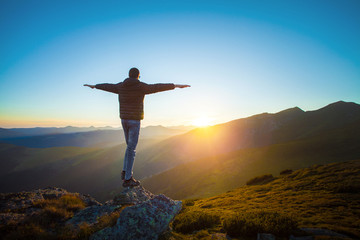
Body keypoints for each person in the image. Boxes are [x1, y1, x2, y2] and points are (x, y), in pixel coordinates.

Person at [84, 67, 190, 187]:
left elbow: (107, 86)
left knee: (129, 147)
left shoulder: (121, 86)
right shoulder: (141, 87)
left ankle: (125, 172)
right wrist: (176, 85)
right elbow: (158, 87)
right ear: (138, 76)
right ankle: (128, 178)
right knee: (132, 149)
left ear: (129, 75)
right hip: (134, 121)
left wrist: (94, 86)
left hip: (123, 120)